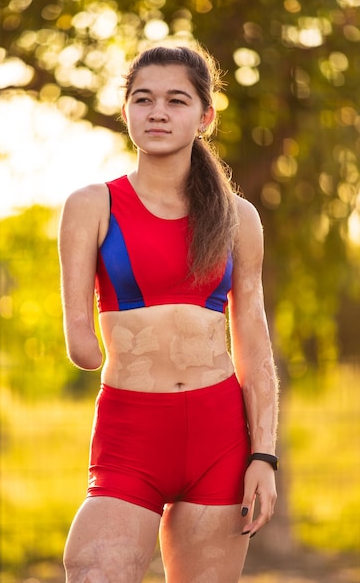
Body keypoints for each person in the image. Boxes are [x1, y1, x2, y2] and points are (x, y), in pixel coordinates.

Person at [59, 43, 279, 583]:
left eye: (177, 100)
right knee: (92, 572)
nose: (157, 111)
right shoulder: (91, 205)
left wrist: (264, 458)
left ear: (205, 116)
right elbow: (82, 349)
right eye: (143, 98)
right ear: (127, 109)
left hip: (219, 436)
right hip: (131, 435)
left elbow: (253, 341)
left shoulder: (236, 217)